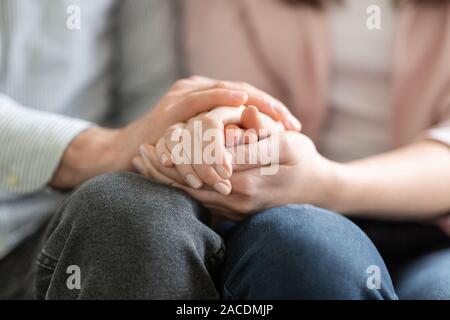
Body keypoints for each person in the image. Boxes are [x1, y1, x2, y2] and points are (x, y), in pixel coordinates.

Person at [135, 0, 450, 299]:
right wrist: (224, 136)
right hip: (289, 212)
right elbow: (236, 102)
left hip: (433, 225)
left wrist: (324, 182)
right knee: (304, 249)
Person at [0, 0, 299, 299]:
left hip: (64, 224)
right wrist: (100, 150)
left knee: (133, 212)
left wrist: (197, 137)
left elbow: (147, 92)